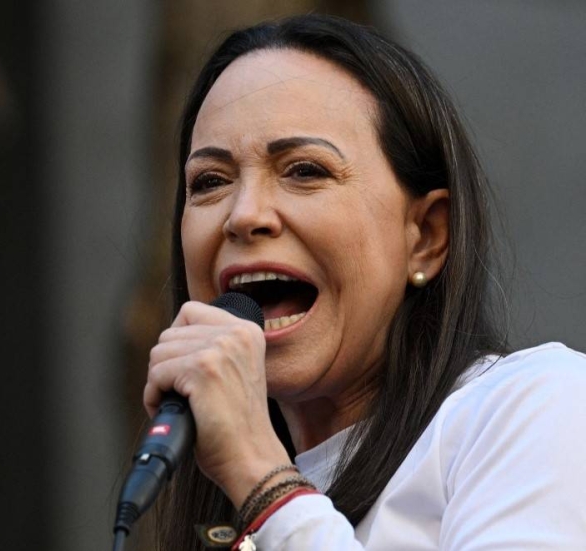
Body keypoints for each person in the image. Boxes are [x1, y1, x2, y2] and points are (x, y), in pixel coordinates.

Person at [145, 14, 586, 550]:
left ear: (425, 235)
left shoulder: (536, 406)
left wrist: (262, 479)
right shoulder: (220, 504)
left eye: (304, 170)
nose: (243, 215)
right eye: (210, 181)